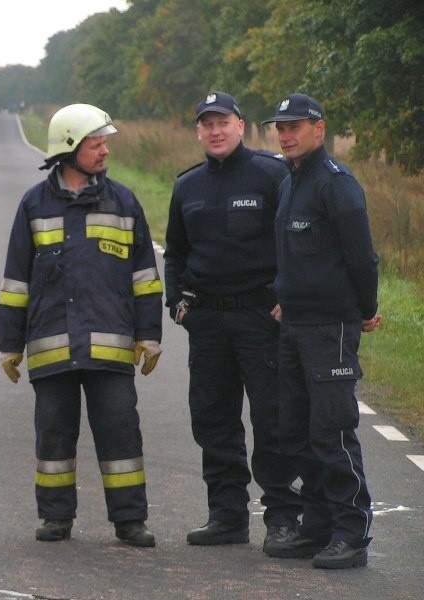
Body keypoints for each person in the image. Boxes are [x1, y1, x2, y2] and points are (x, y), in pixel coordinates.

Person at [0, 103, 164, 547]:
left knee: (121, 436)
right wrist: (9, 344)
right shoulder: (33, 205)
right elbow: (16, 281)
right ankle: (55, 519)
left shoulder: (124, 202)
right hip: (52, 349)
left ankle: (130, 522)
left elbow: (145, 277)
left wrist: (149, 336)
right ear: (70, 148)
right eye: (97, 142)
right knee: (53, 436)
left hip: (110, 352)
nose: (105, 149)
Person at [163, 91, 302, 549]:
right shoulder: (188, 186)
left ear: (241, 126)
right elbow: (176, 254)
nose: (215, 131)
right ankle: (226, 516)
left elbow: (298, 240)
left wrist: (290, 294)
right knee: (213, 419)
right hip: (207, 323)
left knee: (273, 419)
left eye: (223, 122)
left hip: (262, 319)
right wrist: (176, 303)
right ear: (198, 131)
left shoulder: (273, 174)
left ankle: (282, 516)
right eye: (207, 124)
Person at [261, 93, 381, 569]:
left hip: (329, 329)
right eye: (280, 128)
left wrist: (363, 311)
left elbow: (362, 258)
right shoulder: (290, 183)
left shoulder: (337, 184)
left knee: (331, 433)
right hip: (293, 326)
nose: (286, 135)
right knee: (297, 432)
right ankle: (317, 527)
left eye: (295, 127)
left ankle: (351, 534)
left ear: (319, 128)